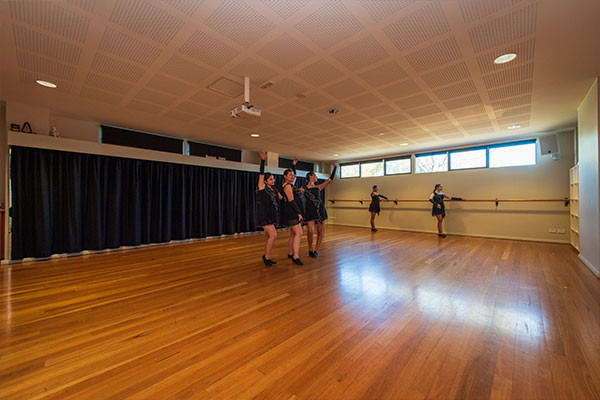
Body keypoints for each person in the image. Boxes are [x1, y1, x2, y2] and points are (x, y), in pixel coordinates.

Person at [302, 163, 337, 258]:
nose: (316, 177)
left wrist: (335, 168)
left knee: (320, 232)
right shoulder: (303, 188)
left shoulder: (319, 187)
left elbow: (330, 179)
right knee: (310, 231)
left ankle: (316, 250)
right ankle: (310, 248)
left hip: (320, 210)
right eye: (315, 176)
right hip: (310, 211)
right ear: (310, 177)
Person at [257, 151, 283, 266]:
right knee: (273, 236)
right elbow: (261, 174)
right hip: (265, 215)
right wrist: (263, 160)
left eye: (274, 179)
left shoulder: (274, 190)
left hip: (272, 215)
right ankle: (266, 257)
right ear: (266, 181)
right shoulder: (262, 187)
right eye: (271, 179)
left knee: (271, 236)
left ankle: (267, 255)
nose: (273, 181)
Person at [282, 167, 304, 265]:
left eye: (293, 175)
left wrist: (294, 165)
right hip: (292, 212)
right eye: (290, 175)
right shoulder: (287, 186)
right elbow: (291, 200)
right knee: (299, 233)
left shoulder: (290, 185)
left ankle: (291, 253)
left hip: (293, 211)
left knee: (293, 233)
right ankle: (296, 256)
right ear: (285, 176)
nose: (293, 176)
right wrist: (298, 213)